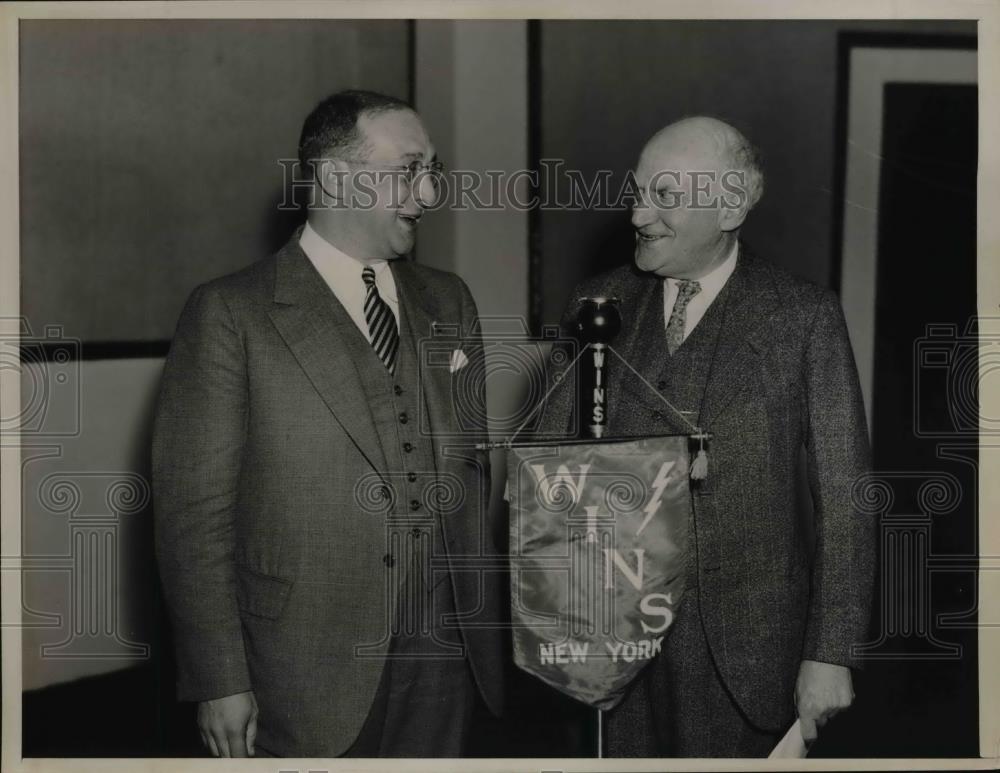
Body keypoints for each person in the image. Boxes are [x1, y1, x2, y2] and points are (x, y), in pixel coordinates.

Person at [152, 89, 503, 758]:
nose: (428, 194)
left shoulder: (450, 299)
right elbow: (192, 518)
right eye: (409, 170)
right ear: (338, 178)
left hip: (445, 656)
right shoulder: (230, 313)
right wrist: (219, 677)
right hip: (302, 669)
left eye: (434, 170)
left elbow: (470, 471)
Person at [541, 116, 875, 757]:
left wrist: (831, 652)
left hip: (752, 658)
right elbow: (554, 471)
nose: (639, 215)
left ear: (729, 205)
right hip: (618, 649)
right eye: (637, 193)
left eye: (664, 196)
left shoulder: (802, 317)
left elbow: (846, 498)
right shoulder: (594, 305)